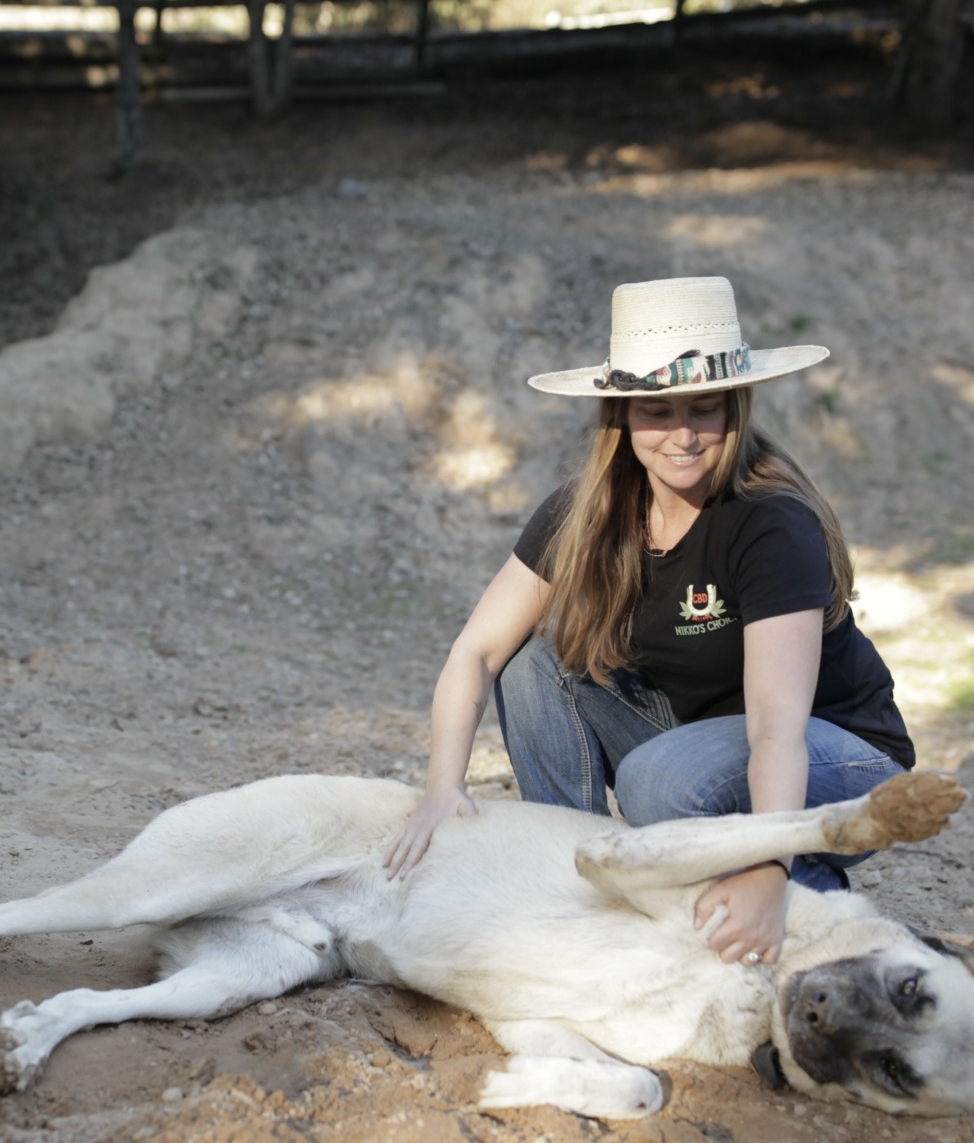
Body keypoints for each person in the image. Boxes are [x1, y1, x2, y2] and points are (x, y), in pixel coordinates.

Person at [383, 276, 914, 974]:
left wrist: (769, 866)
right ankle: (575, 883)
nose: (683, 435)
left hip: (837, 758)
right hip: (699, 747)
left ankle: (804, 888)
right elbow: (476, 652)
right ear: (622, 415)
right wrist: (441, 788)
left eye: (705, 408)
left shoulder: (770, 523)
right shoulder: (586, 514)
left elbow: (775, 726)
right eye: (657, 411)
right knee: (533, 668)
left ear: (736, 406)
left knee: (658, 782)